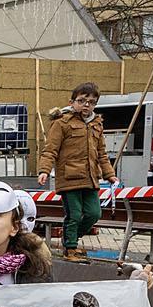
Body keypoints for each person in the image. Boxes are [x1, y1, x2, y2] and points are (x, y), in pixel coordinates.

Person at [37, 81, 115, 263]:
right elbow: (50, 150)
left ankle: (69, 239)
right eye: (82, 100)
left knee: (94, 213)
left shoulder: (97, 124)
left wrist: (109, 174)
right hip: (69, 178)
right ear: (72, 102)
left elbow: (102, 153)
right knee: (74, 214)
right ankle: (70, 249)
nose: (86, 105)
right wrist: (44, 170)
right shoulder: (62, 123)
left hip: (91, 178)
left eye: (91, 102)